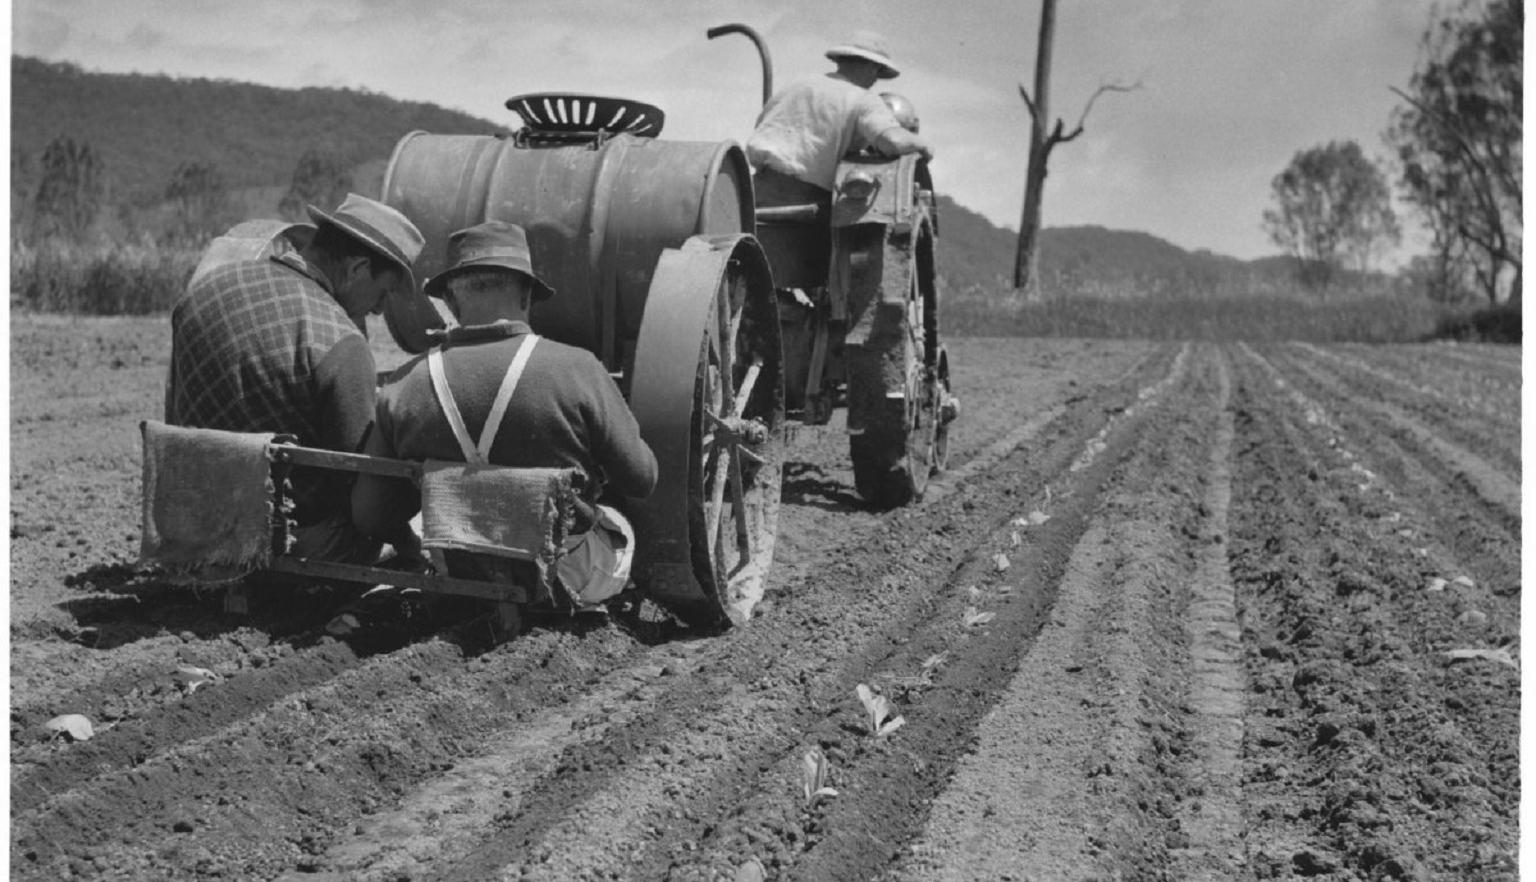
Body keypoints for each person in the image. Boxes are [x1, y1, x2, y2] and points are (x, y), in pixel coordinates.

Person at [351, 220, 658, 607]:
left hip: (459, 577)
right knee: (619, 521)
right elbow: (642, 479)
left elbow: (371, 516)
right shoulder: (578, 368)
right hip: (567, 577)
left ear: (451, 299)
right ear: (527, 295)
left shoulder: (402, 386)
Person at [166, 192, 425, 563]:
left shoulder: (204, 290)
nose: (381, 309)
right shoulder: (339, 340)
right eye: (383, 293)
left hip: (193, 530)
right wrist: (407, 542)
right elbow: (362, 487)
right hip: (287, 546)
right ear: (356, 269)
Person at [745, 30, 934, 207]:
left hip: (754, 193)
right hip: (807, 203)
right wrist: (923, 145)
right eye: (878, 72)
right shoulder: (864, 99)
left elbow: (762, 124)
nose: (876, 79)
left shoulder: (796, 86)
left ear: (841, 60)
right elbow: (892, 142)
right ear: (873, 67)